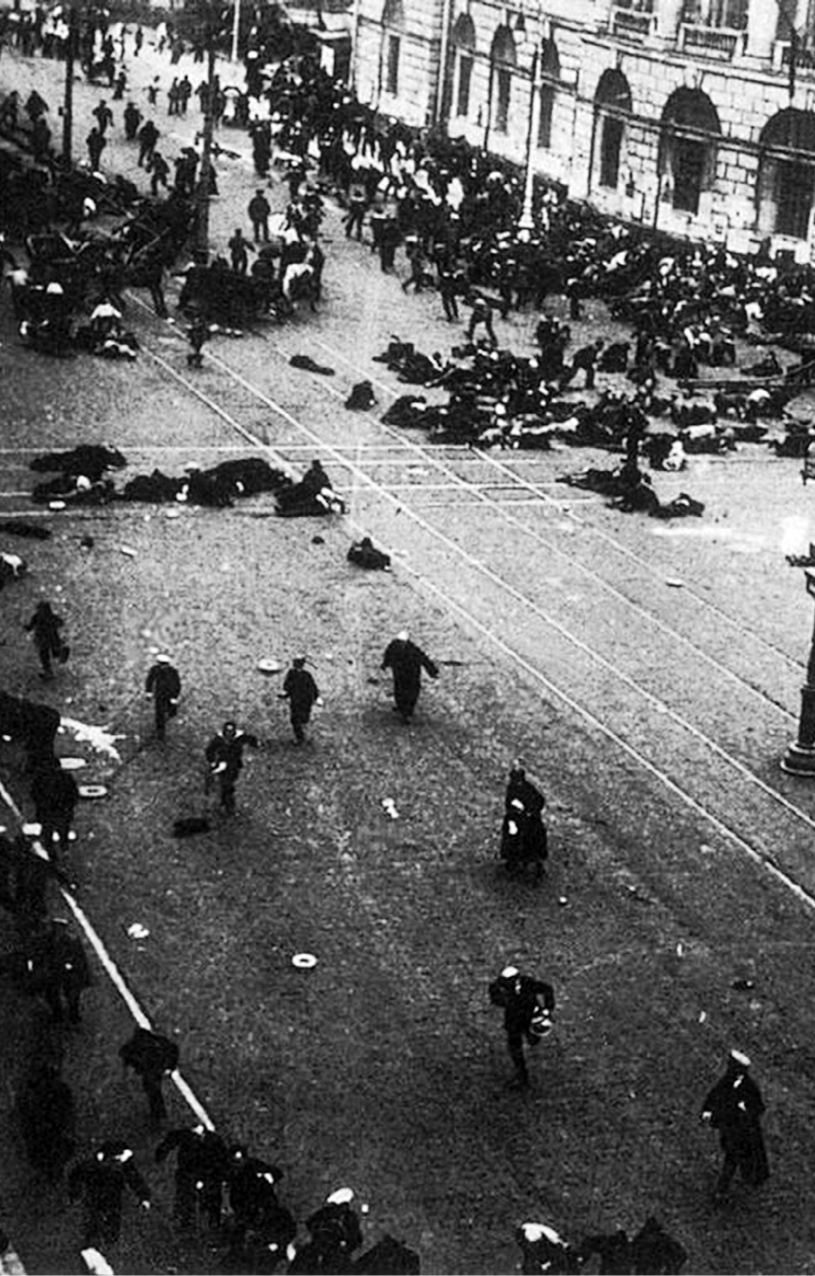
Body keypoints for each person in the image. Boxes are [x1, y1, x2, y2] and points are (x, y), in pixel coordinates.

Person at [700, 1050, 770, 1202]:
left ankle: (721, 1190)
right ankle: (744, 1178)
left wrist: (745, 1108)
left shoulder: (749, 1087)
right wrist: (707, 1110)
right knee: (735, 1157)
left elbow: (759, 1108)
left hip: (744, 1132)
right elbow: (715, 1095)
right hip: (730, 1128)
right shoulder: (728, 1080)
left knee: (732, 1158)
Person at [68, 1141, 151, 1250]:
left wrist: (144, 1197)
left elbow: (135, 1180)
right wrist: (74, 1194)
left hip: (113, 1200)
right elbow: (76, 1176)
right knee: (94, 1223)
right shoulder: (92, 1165)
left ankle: (108, 1246)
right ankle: (91, 1245)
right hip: (95, 1198)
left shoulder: (124, 1166)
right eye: (117, 1159)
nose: (118, 1162)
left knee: (112, 1226)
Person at [488, 965, 555, 1088]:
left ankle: (532, 1039)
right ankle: (521, 1074)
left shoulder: (527, 983)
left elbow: (547, 989)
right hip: (514, 1020)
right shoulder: (500, 987)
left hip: (530, 1016)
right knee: (514, 1046)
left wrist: (547, 1009)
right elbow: (496, 999)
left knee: (532, 1038)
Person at [226, 1145, 295, 1261]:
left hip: (262, 1202)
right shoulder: (233, 1171)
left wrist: (268, 1177)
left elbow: (276, 1172)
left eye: (241, 1159)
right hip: (244, 1204)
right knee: (242, 1229)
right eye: (236, 1160)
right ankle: (237, 1254)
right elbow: (235, 1193)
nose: (239, 1162)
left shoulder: (254, 1166)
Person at [155, 1123, 229, 1230]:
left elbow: (222, 1156)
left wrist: (223, 1175)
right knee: (186, 1197)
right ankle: (187, 1222)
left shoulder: (214, 1139)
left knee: (212, 1199)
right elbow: (169, 1142)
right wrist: (161, 1153)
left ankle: (213, 1222)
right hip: (188, 1172)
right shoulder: (185, 1136)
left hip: (208, 1173)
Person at [25, 917, 92, 1024]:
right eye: (56, 927)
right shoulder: (46, 940)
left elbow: (79, 959)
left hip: (68, 972)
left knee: (72, 995)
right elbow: (38, 955)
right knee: (52, 994)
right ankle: (58, 1014)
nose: (58, 930)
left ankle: (73, 1014)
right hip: (53, 970)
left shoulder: (72, 941)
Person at [289, 1188, 363, 1272]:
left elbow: (309, 1224)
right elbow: (356, 1240)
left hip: (316, 1247)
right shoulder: (349, 1216)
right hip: (335, 1252)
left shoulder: (324, 1212)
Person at [119, 1027, 179, 1124]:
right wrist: (170, 1067)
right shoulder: (159, 1042)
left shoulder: (136, 1046)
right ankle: (159, 1114)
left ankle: (158, 1114)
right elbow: (173, 1049)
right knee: (154, 1090)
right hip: (154, 1069)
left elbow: (124, 1053)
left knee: (152, 1090)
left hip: (151, 1070)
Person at [500, 762, 547, 880]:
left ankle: (533, 864)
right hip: (516, 819)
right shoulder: (513, 788)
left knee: (530, 842)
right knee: (513, 839)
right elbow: (509, 805)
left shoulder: (527, 789)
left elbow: (539, 801)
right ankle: (513, 861)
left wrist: (528, 811)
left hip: (528, 821)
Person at [381, 630, 438, 723]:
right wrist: (385, 664)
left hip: (411, 675)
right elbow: (388, 656)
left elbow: (424, 659)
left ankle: (407, 712)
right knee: (400, 691)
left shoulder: (412, 649)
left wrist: (432, 672)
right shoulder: (394, 646)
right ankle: (403, 710)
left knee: (410, 693)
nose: (401, 644)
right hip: (401, 674)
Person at [30, 757, 80, 861]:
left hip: (47, 812)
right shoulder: (66, 778)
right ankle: (63, 851)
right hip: (62, 812)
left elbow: (34, 794)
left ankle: (51, 855)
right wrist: (69, 807)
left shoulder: (41, 779)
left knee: (48, 834)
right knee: (62, 832)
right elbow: (73, 794)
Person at [204, 721, 259, 815]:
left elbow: (251, 739)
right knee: (226, 784)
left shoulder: (239, 738)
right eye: (227, 731)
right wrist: (212, 762)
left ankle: (225, 802)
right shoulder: (219, 740)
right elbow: (210, 750)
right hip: (222, 763)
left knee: (228, 783)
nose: (229, 734)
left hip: (234, 764)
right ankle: (228, 805)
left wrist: (256, 744)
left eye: (231, 731)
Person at [280, 656, 321, 745]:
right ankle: (307, 737)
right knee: (304, 719)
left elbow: (287, 686)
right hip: (306, 701)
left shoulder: (291, 674)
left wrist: (284, 695)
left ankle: (301, 738)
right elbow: (313, 688)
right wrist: (316, 697)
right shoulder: (307, 675)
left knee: (295, 720)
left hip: (296, 701)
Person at [24, 600, 66, 679]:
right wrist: (27, 627)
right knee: (44, 656)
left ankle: (60, 655)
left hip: (50, 638)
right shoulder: (37, 617)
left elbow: (60, 623)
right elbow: (30, 626)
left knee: (54, 653)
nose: (42, 612)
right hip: (43, 640)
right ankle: (48, 672)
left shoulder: (50, 617)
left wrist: (52, 624)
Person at [145, 654, 181, 743]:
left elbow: (177, 684)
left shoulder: (172, 671)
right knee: (159, 714)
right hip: (160, 695)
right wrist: (149, 692)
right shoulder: (155, 670)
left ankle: (165, 724)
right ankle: (160, 733)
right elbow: (150, 680)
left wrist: (174, 696)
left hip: (169, 694)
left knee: (171, 712)